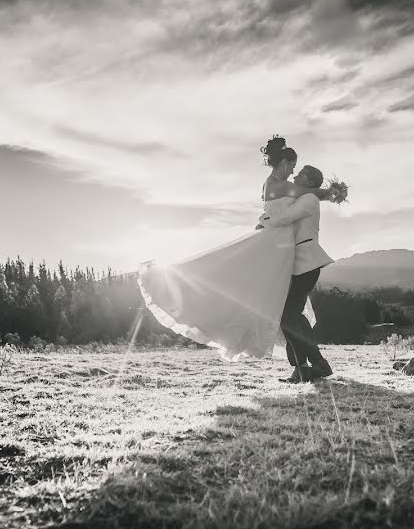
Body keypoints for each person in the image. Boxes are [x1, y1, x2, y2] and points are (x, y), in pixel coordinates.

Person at [137, 136, 335, 361]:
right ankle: (306, 363)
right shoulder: (285, 186)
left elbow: (296, 201)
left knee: (274, 301)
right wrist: (333, 193)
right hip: (274, 243)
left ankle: (303, 365)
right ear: (285, 163)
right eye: (292, 166)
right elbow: (311, 194)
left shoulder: (272, 184)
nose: (293, 172)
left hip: (279, 244)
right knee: (266, 297)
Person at [258, 164, 334, 383]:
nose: (295, 175)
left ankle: (314, 364)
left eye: (301, 174)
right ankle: (304, 368)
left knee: (288, 316)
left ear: (310, 182)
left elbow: (284, 218)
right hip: (295, 264)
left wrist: (263, 221)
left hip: (308, 263)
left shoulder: (310, 200)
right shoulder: (302, 197)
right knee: (289, 317)